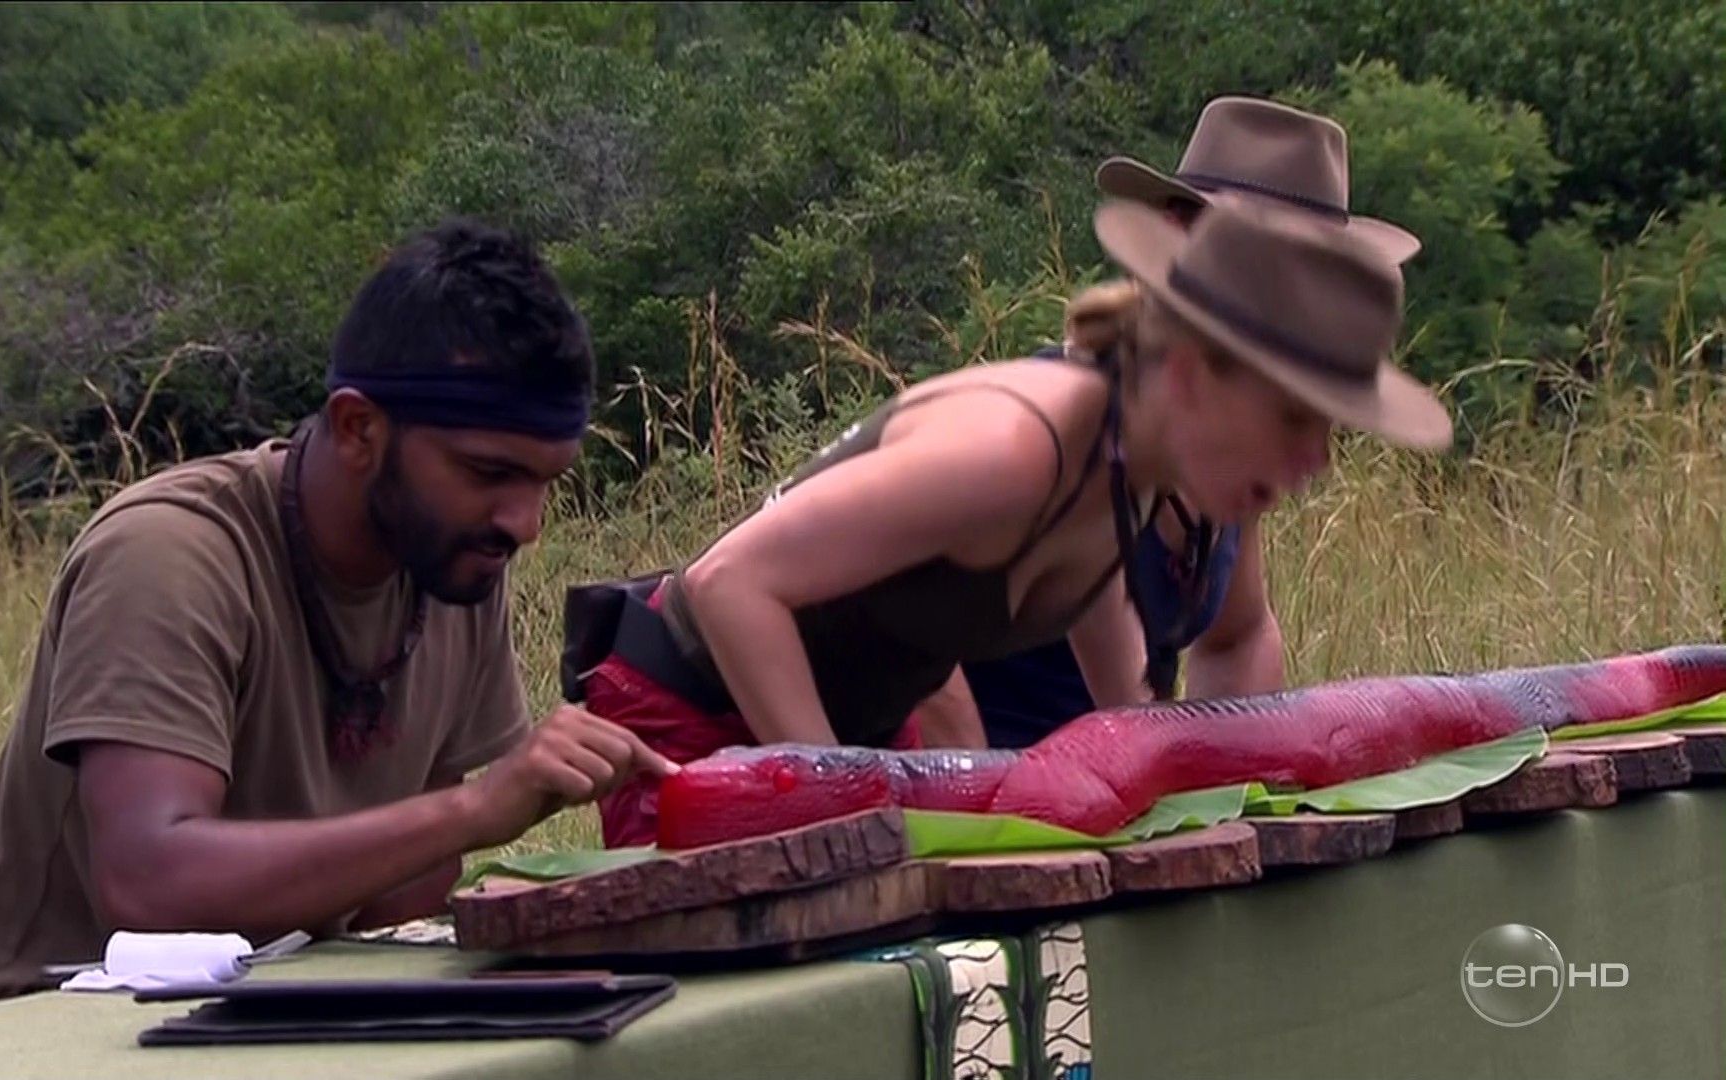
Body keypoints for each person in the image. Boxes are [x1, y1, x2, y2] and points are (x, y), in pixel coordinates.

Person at [565, 196, 1453, 848]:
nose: (1318, 460)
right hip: (694, 723)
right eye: (1296, 418)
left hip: (852, 738)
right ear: (1190, 375)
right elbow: (731, 583)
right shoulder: (1013, 451)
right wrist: (833, 808)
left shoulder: (1129, 473)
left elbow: (1128, 723)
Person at [0, 218, 673, 1008]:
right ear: (359, 428)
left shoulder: (453, 559)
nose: (525, 524)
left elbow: (404, 900)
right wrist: (474, 811)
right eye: (488, 472)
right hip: (68, 1014)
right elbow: (148, 887)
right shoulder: (169, 556)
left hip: (291, 998)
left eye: (544, 482)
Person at [957, 95, 1427, 749]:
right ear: (1178, 239)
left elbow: (1240, 635)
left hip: (1112, 783)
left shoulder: (1220, 442)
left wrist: (1232, 774)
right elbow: (894, 634)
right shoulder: (1062, 430)